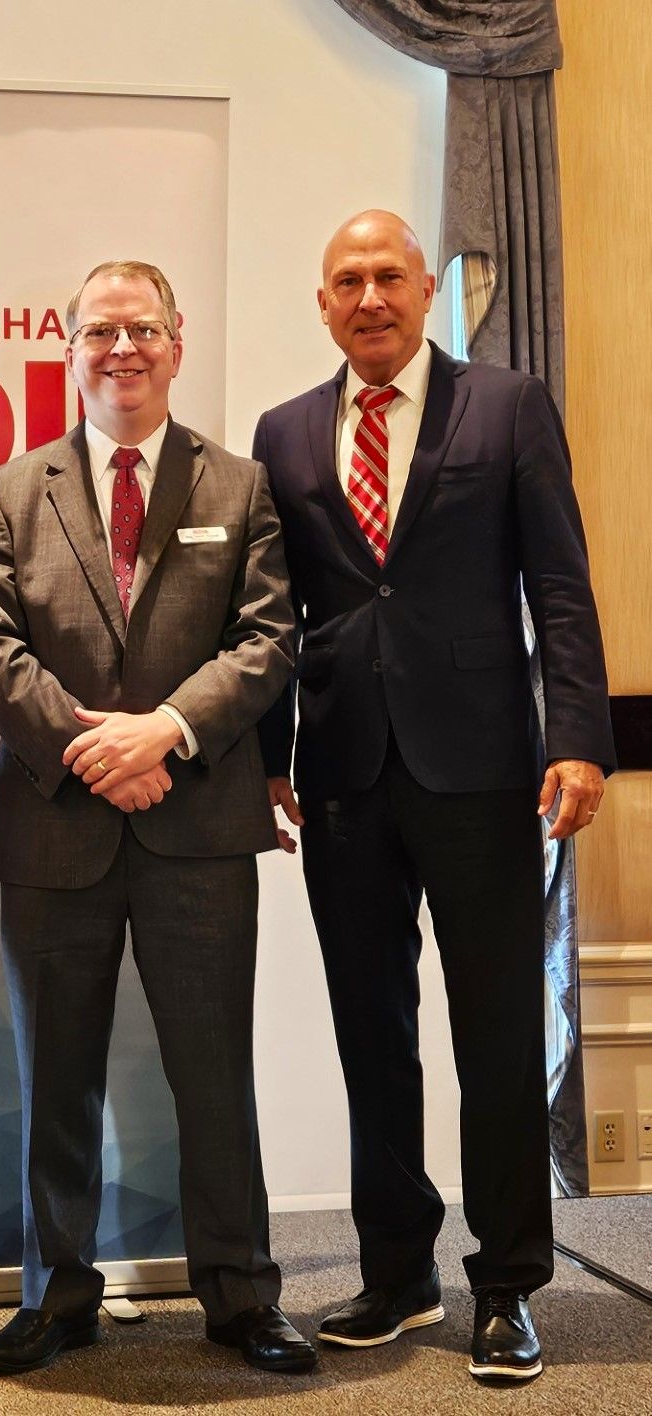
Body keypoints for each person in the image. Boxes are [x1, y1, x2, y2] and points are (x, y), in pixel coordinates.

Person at [254, 210, 615, 1384]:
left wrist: (577, 737)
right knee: (371, 1037)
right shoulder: (283, 431)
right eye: (344, 280)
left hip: (481, 768)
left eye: (386, 276)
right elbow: (269, 615)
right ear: (321, 303)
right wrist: (266, 755)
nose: (367, 297)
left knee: (496, 1036)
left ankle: (505, 1285)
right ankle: (395, 1272)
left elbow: (558, 583)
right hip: (341, 775)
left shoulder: (504, 406)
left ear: (422, 289)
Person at [0, 259, 310, 1378]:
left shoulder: (238, 487)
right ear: (68, 349)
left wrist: (161, 732)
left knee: (214, 1072)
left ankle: (240, 1295)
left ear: (176, 342)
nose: (123, 348)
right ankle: (57, 1296)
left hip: (197, 826)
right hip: (55, 827)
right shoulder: (9, 491)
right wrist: (95, 751)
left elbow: (267, 639)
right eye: (100, 330)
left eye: (142, 329)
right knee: (54, 1078)